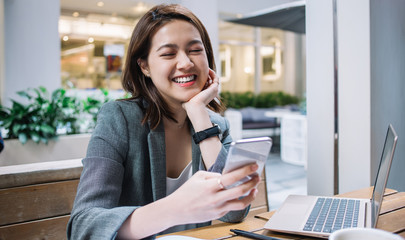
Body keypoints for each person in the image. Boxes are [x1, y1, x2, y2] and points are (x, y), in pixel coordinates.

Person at [67, 4, 260, 240]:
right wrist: (175, 209)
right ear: (144, 66)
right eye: (169, 53)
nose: (186, 63)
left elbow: (235, 211)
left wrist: (199, 114)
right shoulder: (119, 119)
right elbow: (83, 227)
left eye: (195, 50)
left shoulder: (216, 125)